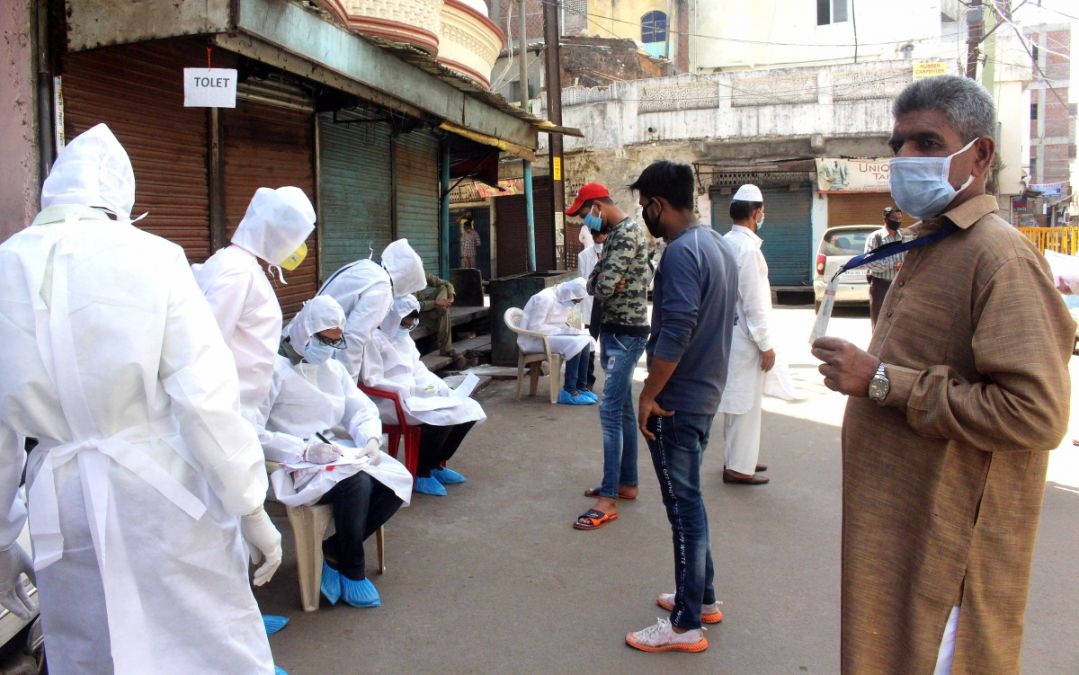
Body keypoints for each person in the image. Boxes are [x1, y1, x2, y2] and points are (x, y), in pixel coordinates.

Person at [811, 75, 1074, 673]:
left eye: (928, 142)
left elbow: (1037, 413)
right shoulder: (938, 243)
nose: (905, 159)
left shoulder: (998, 255)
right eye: (898, 145)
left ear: (979, 154)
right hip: (904, 534)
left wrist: (882, 381)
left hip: (949, 554)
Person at [0, 123, 282, 673]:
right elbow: (205, 402)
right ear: (120, 197)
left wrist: (2, 538)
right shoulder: (153, 258)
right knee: (204, 644)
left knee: (91, 648)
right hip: (160, 494)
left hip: (64, 500)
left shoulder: (6, 266)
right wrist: (250, 504)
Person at [629, 160, 739, 653]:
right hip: (705, 393)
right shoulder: (716, 244)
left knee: (682, 508)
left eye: (644, 207)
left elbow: (675, 332)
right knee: (690, 501)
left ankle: (684, 624)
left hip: (678, 401)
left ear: (657, 205)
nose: (643, 215)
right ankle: (703, 596)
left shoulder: (679, 253)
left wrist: (649, 392)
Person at [259, 296, 412, 608]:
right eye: (323, 340)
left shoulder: (332, 369)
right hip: (290, 463)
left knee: (396, 479)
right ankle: (353, 568)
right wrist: (304, 450)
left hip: (334, 455)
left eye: (334, 341)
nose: (328, 348)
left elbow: (360, 409)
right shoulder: (271, 371)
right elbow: (252, 430)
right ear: (304, 333)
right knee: (358, 484)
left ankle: (333, 550)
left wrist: (369, 439)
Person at [567, 182, 652, 529]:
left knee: (610, 413)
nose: (586, 224)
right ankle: (624, 483)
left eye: (586, 215)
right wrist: (601, 279)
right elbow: (595, 283)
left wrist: (602, 279)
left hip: (626, 334)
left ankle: (608, 499)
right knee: (623, 412)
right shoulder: (616, 234)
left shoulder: (627, 233)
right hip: (615, 330)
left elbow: (601, 285)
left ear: (599, 206)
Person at [191, 186, 315, 420]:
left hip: (238, 407)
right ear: (280, 235)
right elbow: (206, 345)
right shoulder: (237, 273)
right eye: (297, 238)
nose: (298, 248)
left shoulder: (236, 265)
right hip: (225, 409)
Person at [362, 296, 487, 497]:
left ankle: (437, 463)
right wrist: (404, 390)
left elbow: (418, 369)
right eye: (405, 322)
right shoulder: (373, 341)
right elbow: (372, 380)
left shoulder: (405, 338)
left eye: (412, 322)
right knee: (441, 417)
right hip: (389, 400)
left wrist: (440, 387)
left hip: (415, 394)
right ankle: (421, 472)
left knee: (467, 408)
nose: (409, 326)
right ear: (392, 317)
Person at [717, 184, 774, 486]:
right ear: (755, 213)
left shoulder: (726, 241)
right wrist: (765, 344)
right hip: (746, 338)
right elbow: (754, 302)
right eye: (762, 211)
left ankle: (740, 458)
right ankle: (739, 466)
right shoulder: (748, 249)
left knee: (737, 400)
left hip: (731, 334)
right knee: (745, 404)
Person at [315, 239, 427, 380]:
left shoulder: (366, 267)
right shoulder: (382, 288)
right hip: (322, 345)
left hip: (312, 334)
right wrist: (348, 384)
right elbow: (354, 338)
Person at [517, 278, 597, 407]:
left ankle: (581, 386)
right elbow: (535, 327)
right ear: (570, 294)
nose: (575, 303)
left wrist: (568, 330)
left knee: (585, 339)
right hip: (534, 340)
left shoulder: (561, 297)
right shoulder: (544, 298)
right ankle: (569, 390)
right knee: (575, 343)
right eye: (575, 301)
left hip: (549, 336)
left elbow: (558, 323)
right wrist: (562, 331)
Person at [863, 206, 910, 328]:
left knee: (897, 323)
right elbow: (869, 262)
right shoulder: (876, 237)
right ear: (885, 219)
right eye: (894, 218)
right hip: (881, 285)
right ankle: (877, 347)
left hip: (899, 284)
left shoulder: (904, 237)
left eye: (900, 218)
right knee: (879, 321)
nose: (897, 221)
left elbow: (909, 257)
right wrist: (892, 265)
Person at [577, 226, 606, 391]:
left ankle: (613, 383)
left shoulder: (614, 253)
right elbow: (582, 282)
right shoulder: (584, 256)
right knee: (589, 344)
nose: (598, 237)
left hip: (609, 305)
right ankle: (588, 379)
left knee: (609, 346)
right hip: (591, 305)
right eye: (595, 234)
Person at [416, 272, 456, 357]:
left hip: (432, 309)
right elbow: (412, 306)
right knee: (444, 311)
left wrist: (451, 296)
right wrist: (436, 303)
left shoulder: (421, 273)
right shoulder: (405, 280)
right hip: (416, 316)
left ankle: (440, 309)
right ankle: (446, 349)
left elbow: (446, 283)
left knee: (443, 288)